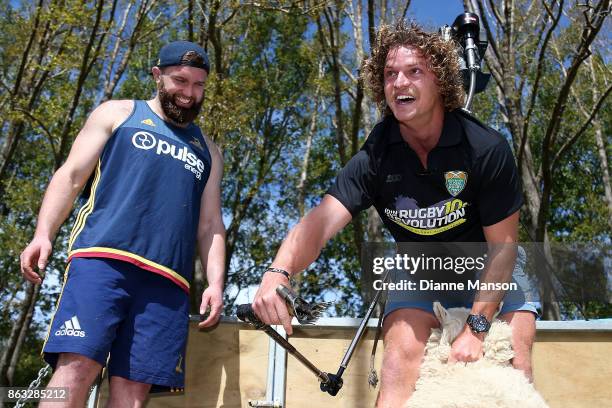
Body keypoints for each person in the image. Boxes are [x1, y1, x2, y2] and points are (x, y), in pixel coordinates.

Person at [252, 22, 538, 407]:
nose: (399, 82)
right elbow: (319, 224)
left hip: (492, 263)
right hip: (420, 269)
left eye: (414, 71)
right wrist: (278, 271)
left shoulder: (485, 149)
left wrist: (476, 328)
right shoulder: (375, 156)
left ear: (440, 82)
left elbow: (503, 249)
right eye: (390, 74)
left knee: (514, 367)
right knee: (398, 365)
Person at [20, 41, 226, 407]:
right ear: (158, 76)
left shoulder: (208, 150)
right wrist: (43, 234)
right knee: (75, 370)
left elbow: (210, 224)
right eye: (181, 81)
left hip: (168, 284)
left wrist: (215, 282)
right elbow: (70, 177)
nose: (189, 93)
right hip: (102, 262)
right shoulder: (118, 113)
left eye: (199, 85)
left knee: (132, 395)